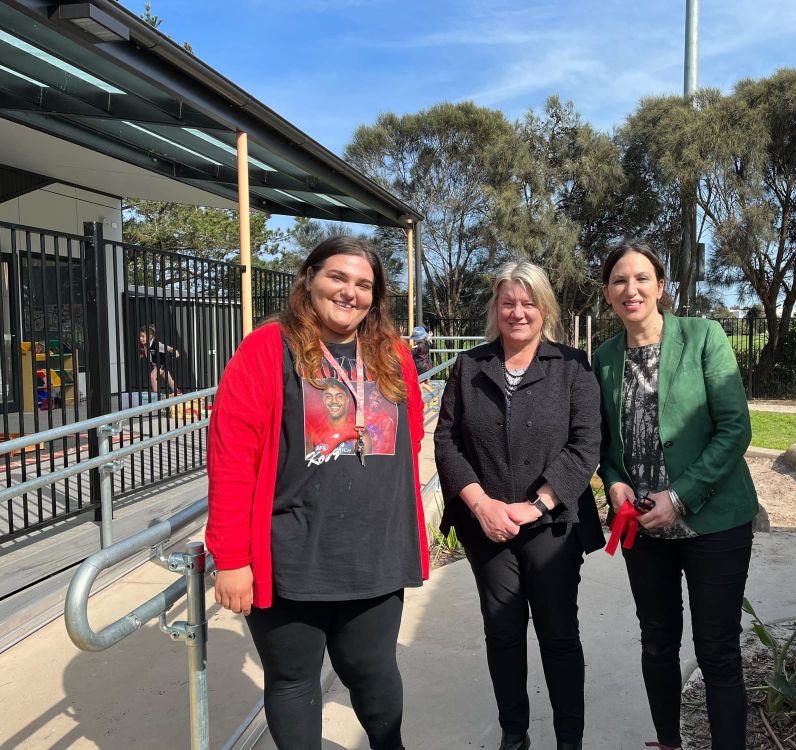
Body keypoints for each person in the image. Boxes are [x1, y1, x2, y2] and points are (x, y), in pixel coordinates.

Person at [206, 236, 429, 750]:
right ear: (309, 279)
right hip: (293, 554)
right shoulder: (267, 349)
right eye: (338, 277)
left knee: (374, 670)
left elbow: (412, 431)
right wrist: (232, 559)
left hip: (375, 552)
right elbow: (231, 459)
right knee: (294, 681)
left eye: (364, 284)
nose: (350, 292)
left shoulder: (392, 353)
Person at [593, 240, 759, 750]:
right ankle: (668, 742)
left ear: (661, 287)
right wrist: (614, 481)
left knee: (717, 651)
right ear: (607, 293)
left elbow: (734, 428)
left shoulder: (704, 337)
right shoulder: (604, 358)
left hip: (715, 523)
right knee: (657, 643)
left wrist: (680, 497)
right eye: (619, 280)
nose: (631, 289)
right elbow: (606, 444)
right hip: (643, 527)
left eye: (642, 278)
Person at [434, 260, 605, 750]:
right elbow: (447, 441)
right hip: (487, 527)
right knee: (503, 633)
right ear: (496, 308)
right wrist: (481, 504)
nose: (518, 312)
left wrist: (536, 505)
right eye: (508, 302)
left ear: (544, 308)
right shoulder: (470, 366)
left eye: (529, 302)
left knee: (558, 635)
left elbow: (585, 444)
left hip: (552, 527)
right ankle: (515, 733)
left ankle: (569, 738)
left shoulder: (572, 367)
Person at [139, 324, 181, 395]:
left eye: (143, 336)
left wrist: (175, 351)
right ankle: (178, 392)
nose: (140, 338)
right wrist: (142, 354)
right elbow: (144, 352)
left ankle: (157, 395)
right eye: (140, 336)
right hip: (156, 365)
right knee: (169, 379)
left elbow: (168, 348)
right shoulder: (143, 345)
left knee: (152, 376)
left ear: (150, 336)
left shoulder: (156, 344)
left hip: (161, 364)